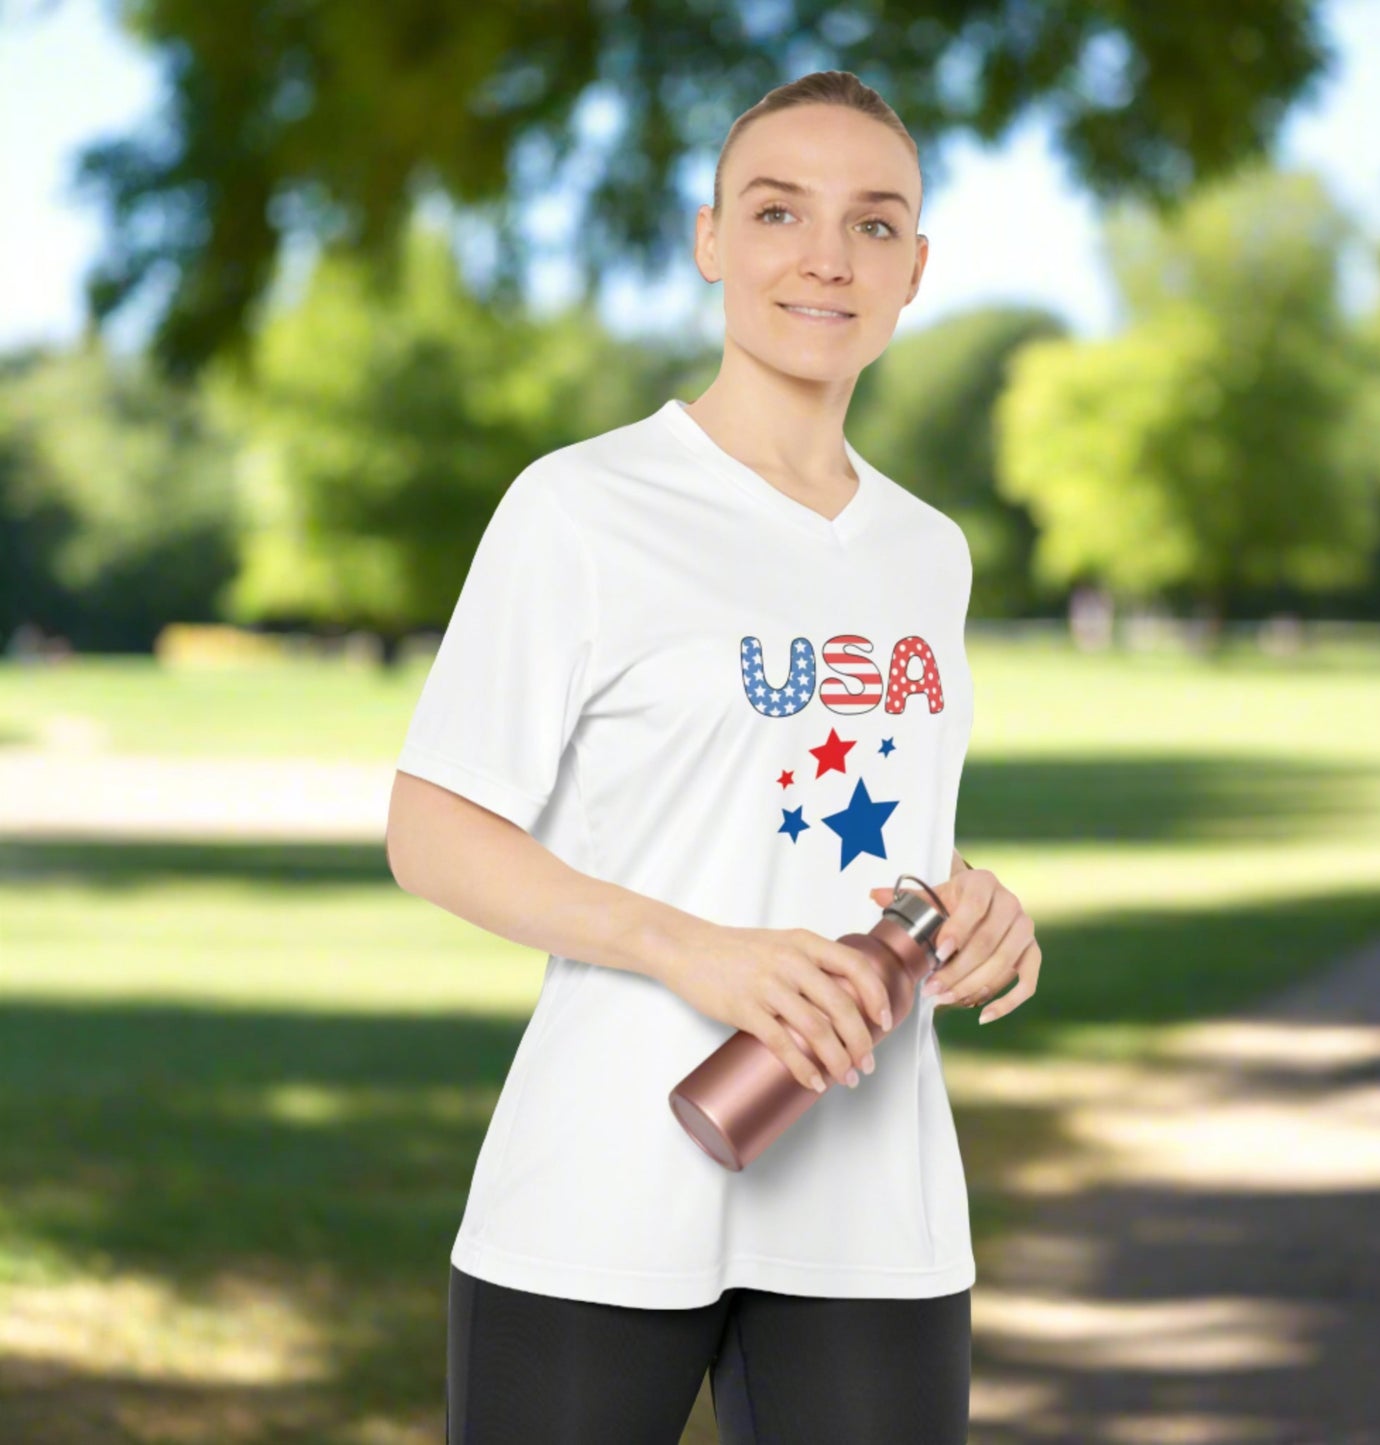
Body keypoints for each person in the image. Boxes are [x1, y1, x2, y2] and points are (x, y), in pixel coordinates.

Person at [389, 68, 997, 1443]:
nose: (826, 258)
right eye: (778, 211)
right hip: (600, 1193)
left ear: (916, 268)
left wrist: (971, 905)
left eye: (875, 222)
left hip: (872, 1217)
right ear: (710, 237)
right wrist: (688, 949)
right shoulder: (582, 508)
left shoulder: (925, 550)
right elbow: (430, 827)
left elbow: (849, 824)